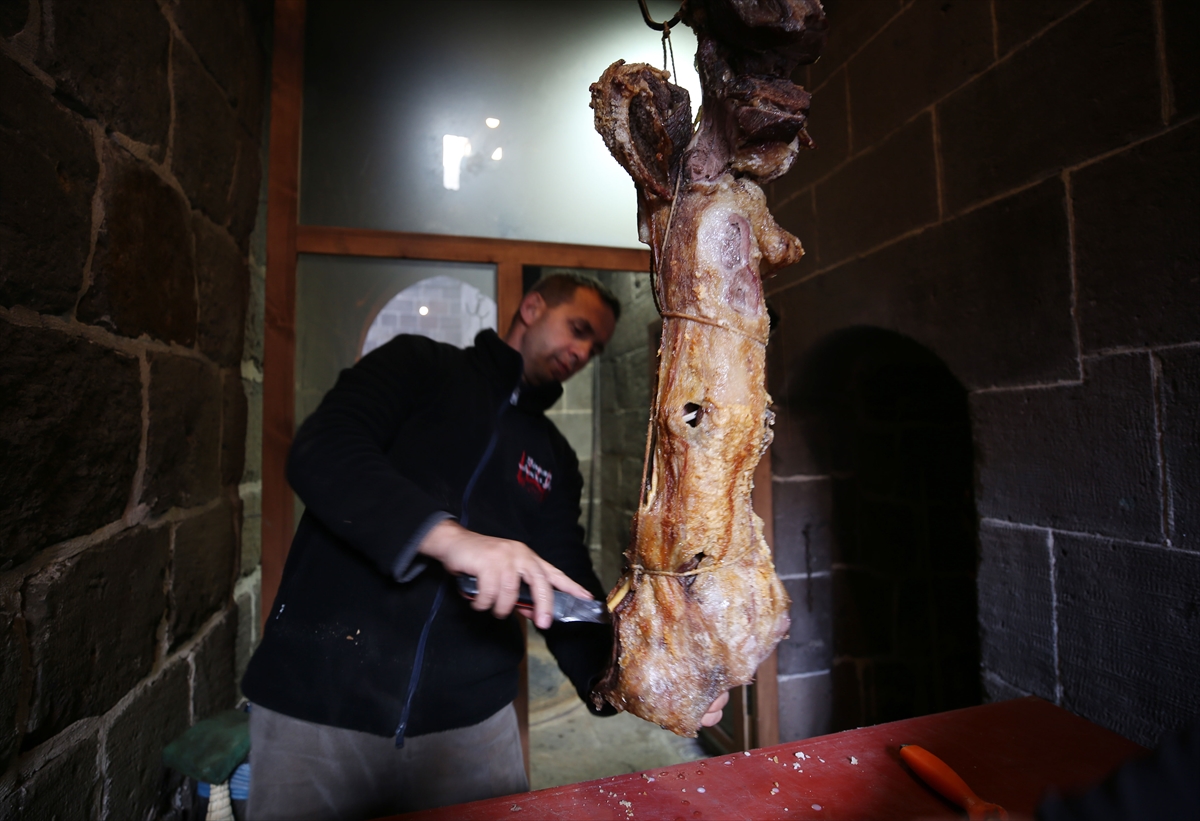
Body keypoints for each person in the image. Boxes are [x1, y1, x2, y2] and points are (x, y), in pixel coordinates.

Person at [241, 273, 727, 820]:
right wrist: (450, 540)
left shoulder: (553, 456)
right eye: (578, 329)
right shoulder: (419, 365)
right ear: (533, 308)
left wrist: (638, 679)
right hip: (317, 705)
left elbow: (563, 580)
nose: (583, 352)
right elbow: (324, 449)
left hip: (472, 726)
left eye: (594, 347)